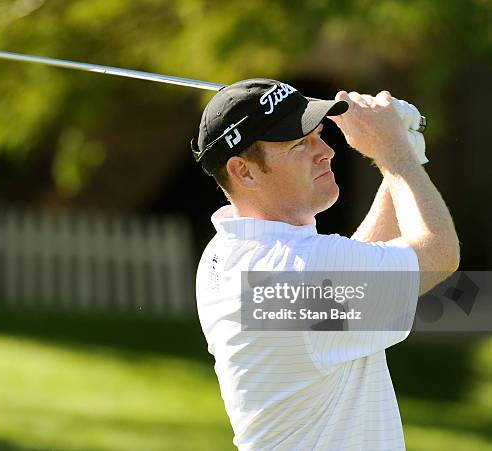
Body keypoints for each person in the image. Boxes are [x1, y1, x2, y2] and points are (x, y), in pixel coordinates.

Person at [190, 79, 459, 450]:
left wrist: (401, 152)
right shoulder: (289, 271)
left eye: (318, 134)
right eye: (300, 144)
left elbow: (353, 279)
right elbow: (438, 255)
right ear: (244, 171)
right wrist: (394, 153)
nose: (326, 151)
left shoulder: (234, 250)